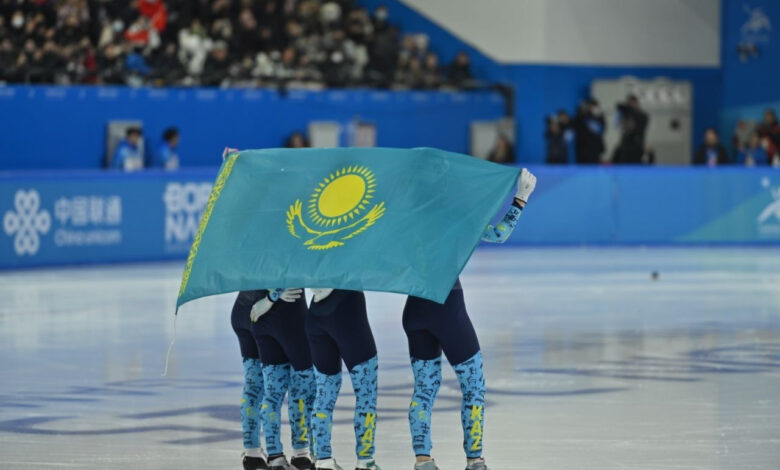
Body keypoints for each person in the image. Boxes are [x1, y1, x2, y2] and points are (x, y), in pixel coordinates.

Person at [404, 169, 537, 470]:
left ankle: (423, 460)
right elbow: (499, 234)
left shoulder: (406, 222)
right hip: (446, 308)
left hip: (414, 310)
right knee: (473, 384)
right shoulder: (456, 220)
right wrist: (520, 200)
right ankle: (475, 459)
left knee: (424, 389)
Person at [304, 288, 382, 470]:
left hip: (316, 313)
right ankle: (365, 461)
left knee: (324, 393)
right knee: (366, 394)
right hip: (347, 310)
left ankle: (323, 460)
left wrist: (271, 298)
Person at [248, 288, 316, 470]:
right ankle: (301, 454)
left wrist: (268, 298)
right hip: (292, 320)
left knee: (272, 394)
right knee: (303, 391)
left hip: (262, 317)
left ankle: (275, 456)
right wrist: (274, 295)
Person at [230, 290, 268, 470]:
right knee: (298, 384)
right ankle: (302, 454)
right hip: (267, 313)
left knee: (253, 385)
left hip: (241, 308)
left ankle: (252, 452)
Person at [612, 94, 649, 164]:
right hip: (625, 144)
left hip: (637, 144)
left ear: (637, 103)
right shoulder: (626, 113)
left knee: (636, 164)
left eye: (633, 103)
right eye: (629, 103)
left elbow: (640, 129)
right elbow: (618, 106)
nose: (631, 105)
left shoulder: (642, 115)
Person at [573, 98, 606, 165]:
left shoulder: (599, 118)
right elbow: (576, 126)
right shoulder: (581, 117)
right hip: (583, 149)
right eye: (590, 106)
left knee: (594, 168)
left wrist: (599, 116)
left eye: (594, 106)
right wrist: (581, 112)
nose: (592, 108)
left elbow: (602, 130)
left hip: (595, 149)